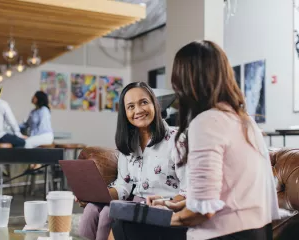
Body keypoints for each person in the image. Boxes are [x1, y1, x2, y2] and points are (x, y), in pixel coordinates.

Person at [111, 41, 279, 240]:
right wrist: (174, 204)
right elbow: (220, 195)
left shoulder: (206, 123)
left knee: (124, 225)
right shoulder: (245, 120)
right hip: (259, 232)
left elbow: (202, 212)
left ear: (187, 80)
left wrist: (153, 217)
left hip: (224, 234)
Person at [78, 82, 187, 240]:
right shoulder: (130, 143)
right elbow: (123, 186)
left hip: (164, 206)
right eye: (130, 106)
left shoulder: (177, 139)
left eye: (144, 102)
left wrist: (166, 203)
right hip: (135, 203)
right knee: (92, 209)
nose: (138, 110)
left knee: (108, 213)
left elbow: (188, 190)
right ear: (125, 113)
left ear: (154, 104)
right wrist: (92, 195)